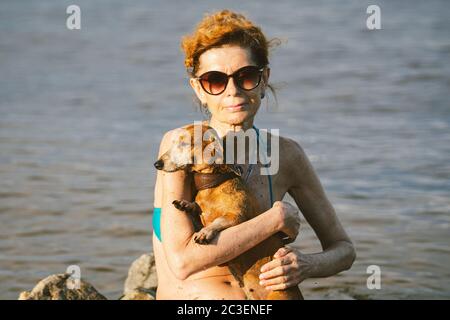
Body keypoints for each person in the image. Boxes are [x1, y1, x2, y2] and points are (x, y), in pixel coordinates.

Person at [152, 9, 356, 299]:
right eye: (215, 80)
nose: (232, 91)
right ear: (198, 89)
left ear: (264, 78)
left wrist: (307, 264)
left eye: (246, 76)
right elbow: (184, 262)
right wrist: (273, 220)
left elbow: (343, 250)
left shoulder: (286, 154)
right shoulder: (179, 145)